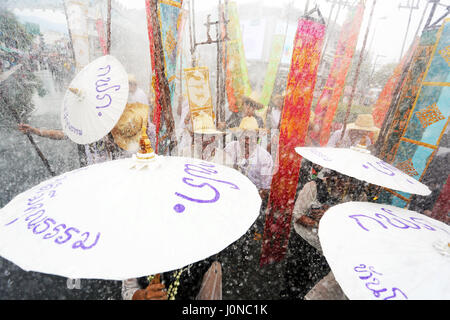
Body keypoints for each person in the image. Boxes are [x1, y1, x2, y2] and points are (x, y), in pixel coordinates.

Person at [18, 74, 156, 164]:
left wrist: (113, 144)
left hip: (118, 170)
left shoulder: (112, 119)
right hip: (93, 173)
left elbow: (135, 140)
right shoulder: (83, 126)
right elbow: (62, 134)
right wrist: (36, 131)